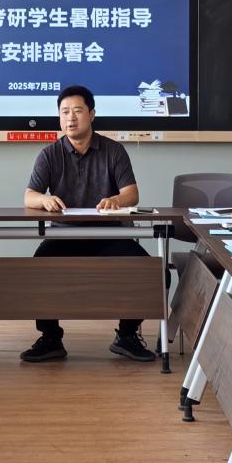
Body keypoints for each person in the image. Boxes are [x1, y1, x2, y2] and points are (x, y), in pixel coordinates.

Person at [21, 84, 153, 363]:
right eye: (64, 112)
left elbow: (132, 194)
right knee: (35, 272)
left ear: (92, 114)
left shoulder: (113, 151)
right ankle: (51, 338)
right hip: (64, 236)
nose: (71, 118)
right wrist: (44, 200)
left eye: (77, 111)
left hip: (110, 235)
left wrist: (116, 200)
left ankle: (127, 335)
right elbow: (29, 195)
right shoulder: (49, 154)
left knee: (151, 272)